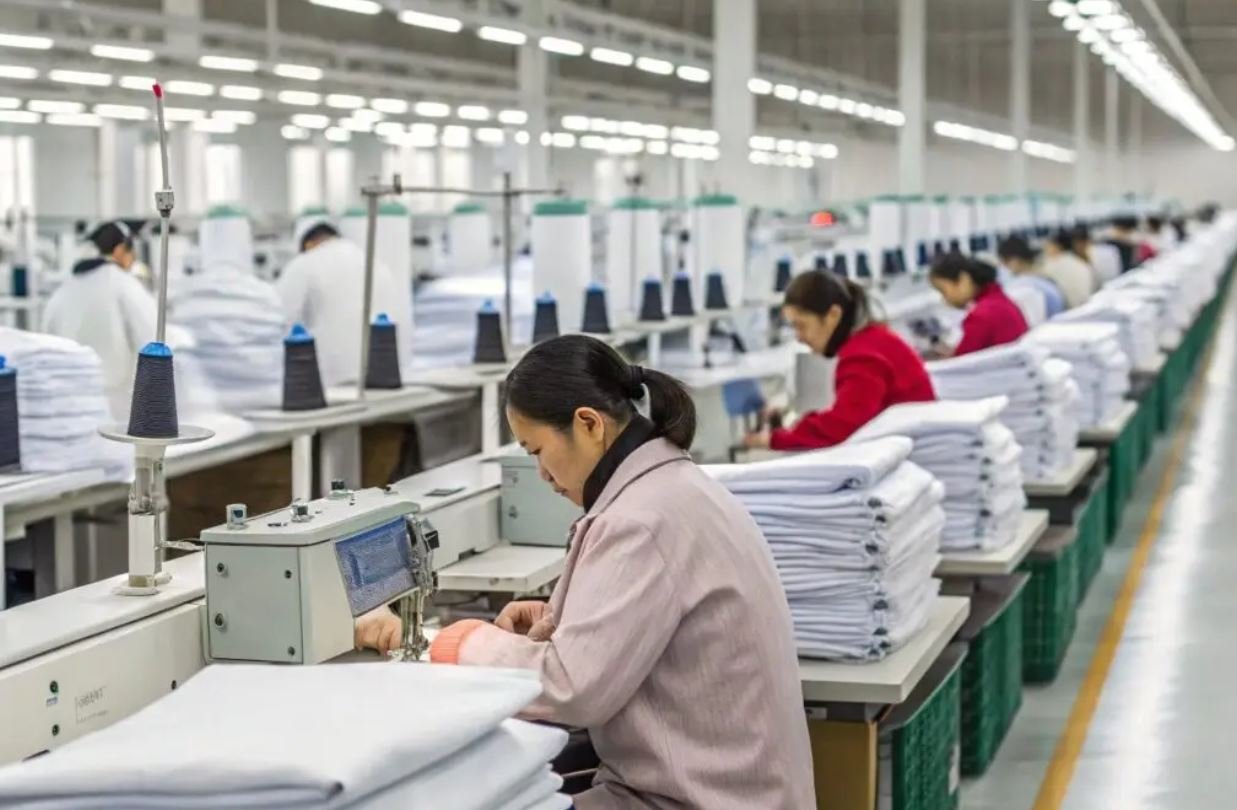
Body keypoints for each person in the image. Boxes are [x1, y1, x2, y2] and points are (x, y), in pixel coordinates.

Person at [356, 335, 816, 809]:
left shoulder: (638, 521)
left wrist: (452, 641)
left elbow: (571, 688)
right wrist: (572, 612)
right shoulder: (673, 486)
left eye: (536, 450)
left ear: (588, 424)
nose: (540, 473)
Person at [743, 270, 935, 451]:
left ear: (833, 315)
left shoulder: (862, 356)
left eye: (801, 326)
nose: (799, 337)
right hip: (914, 443)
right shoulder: (872, 339)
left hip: (917, 452)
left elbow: (842, 426)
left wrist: (775, 439)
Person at [42, 220, 158, 421]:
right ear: (121, 250)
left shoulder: (64, 289)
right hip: (119, 404)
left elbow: (45, 341)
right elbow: (151, 338)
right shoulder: (124, 285)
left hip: (69, 405)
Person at [275, 221, 413, 387]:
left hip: (329, 381)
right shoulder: (376, 264)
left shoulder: (302, 265)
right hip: (385, 376)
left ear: (308, 244)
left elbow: (280, 318)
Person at [929, 253, 1029, 357]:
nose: (944, 299)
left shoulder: (981, 315)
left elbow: (963, 362)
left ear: (964, 280)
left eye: (943, 291)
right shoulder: (1000, 301)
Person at [997, 235, 1066, 318]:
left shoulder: (1022, 286)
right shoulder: (1045, 279)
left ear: (1015, 260)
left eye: (1005, 262)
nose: (1003, 267)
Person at [1040, 230, 1095, 308]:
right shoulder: (1079, 262)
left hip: (1069, 311)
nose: (1045, 250)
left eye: (1048, 246)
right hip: (1085, 307)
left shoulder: (1052, 266)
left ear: (1057, 246)